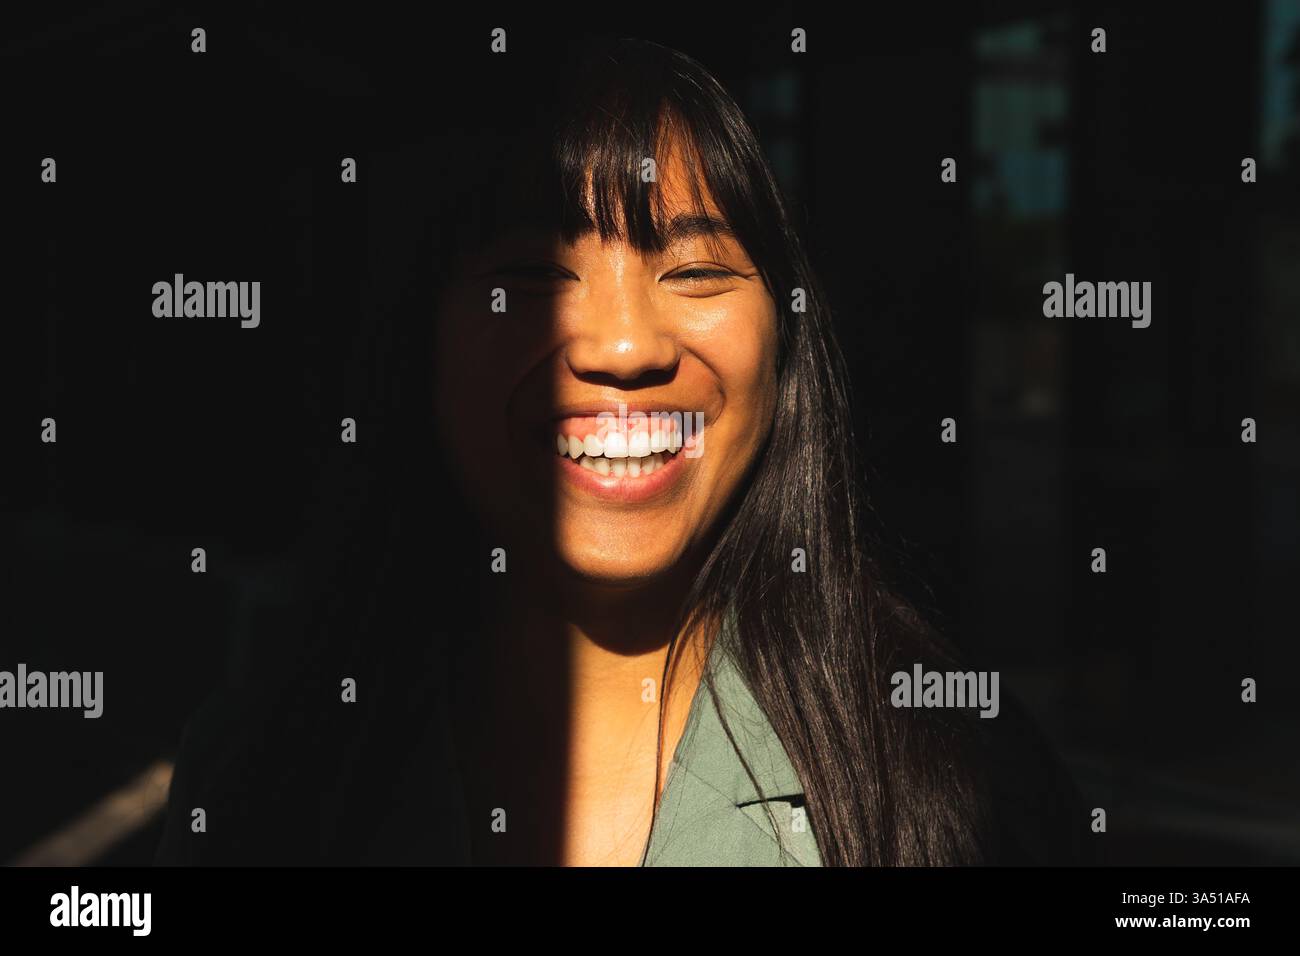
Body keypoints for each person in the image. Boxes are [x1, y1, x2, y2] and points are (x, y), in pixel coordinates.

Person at [155, 36, 1092, 867]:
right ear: (417, 345)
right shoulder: (259, 776)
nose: (622, 346)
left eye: (694, 270)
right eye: (530, 275)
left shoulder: (954, 769)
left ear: (787, 342)